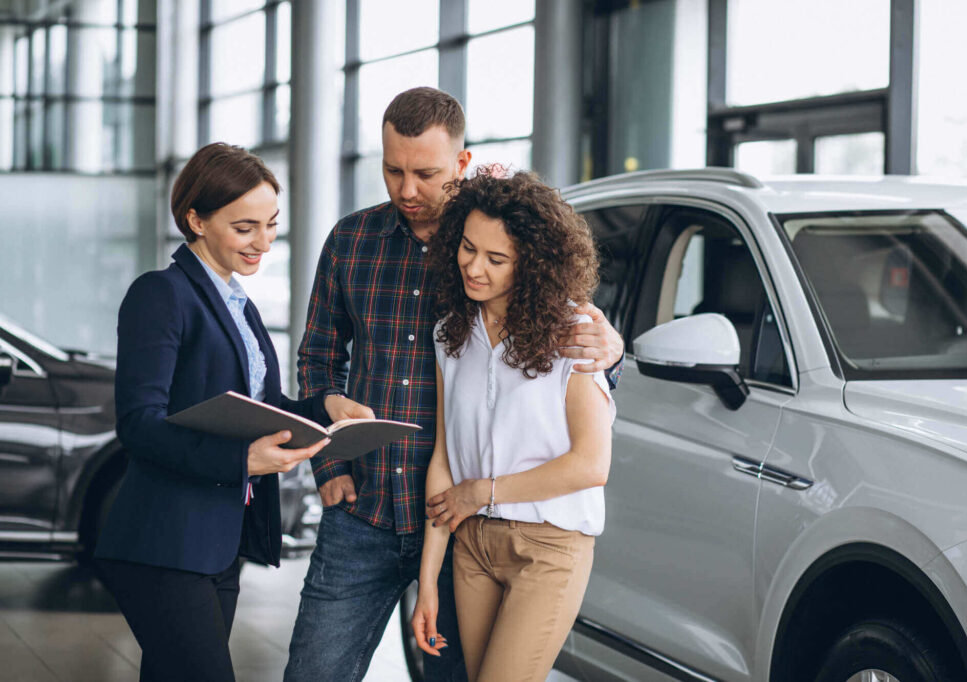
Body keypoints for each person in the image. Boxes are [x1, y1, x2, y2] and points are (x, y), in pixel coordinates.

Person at [285, 87, 624, 682]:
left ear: (462, 164)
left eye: (425, 173)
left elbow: (564, 343)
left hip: (460, 525)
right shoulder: (352, 243)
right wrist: (329, 467)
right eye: (392, 170)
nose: (406, 189)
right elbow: (316, 355)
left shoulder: (502, 242)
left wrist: (613, 349)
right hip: (365, 509)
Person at [94, 142, 345, 682]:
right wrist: (240, 461)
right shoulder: (160, 294)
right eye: (245, 227)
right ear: (196, 220)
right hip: (162, 546)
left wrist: (327, 409)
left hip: (216, 547)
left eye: (272, 225)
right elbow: (139, 423)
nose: (264, 242)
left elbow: (264, 408)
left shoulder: (240, 305)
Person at [410, 168, 614, 682]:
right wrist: (428, 580)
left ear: (532, 266)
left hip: (548, 547)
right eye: (467, 248)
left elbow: (591, 466)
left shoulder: (574, 334)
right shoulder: (449, 334)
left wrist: (484, 491)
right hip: (472, 547)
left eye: (496, 259)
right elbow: (444, 458)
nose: (474, 268)